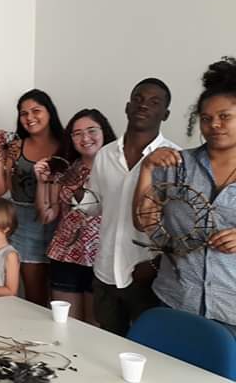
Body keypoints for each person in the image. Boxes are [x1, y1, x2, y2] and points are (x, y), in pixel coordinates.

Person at [133, 57, 236, 333]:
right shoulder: (176, 164)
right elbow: (143, 223)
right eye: (206, 118)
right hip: (176, 299)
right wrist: (147, 169)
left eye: (225, 116)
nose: (215, 124)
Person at [82, 78, 178, 336]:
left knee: (148, 345)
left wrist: (156, 264)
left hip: (146, 274)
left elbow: (179, 226)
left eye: (154, 102)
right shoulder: (106, 154)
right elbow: (94, 206)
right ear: (127, 107)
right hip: (105, 269)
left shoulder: (175, 159)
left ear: (165, 114)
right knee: (108, 341)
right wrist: (73, 194)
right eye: (138, 99)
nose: (143, 105)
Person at [34, 109, 116, 323]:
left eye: (91, 130)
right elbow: (47, 216)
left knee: (96, 325)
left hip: (101, 256)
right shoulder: (65, 169)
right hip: (65, 255)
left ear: (104, 132)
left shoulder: (118, 168)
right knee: (65, 323)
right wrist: (42, 183)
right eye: (77, 133)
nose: (85, 138)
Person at [0, 89, 65, 307]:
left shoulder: (65, 145)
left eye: (36, 111)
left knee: (61, 294)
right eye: (24, 113)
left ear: (49, 112)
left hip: (61, 223)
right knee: (34, 295)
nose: (30, 117)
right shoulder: (16, 146)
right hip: (24, 224)